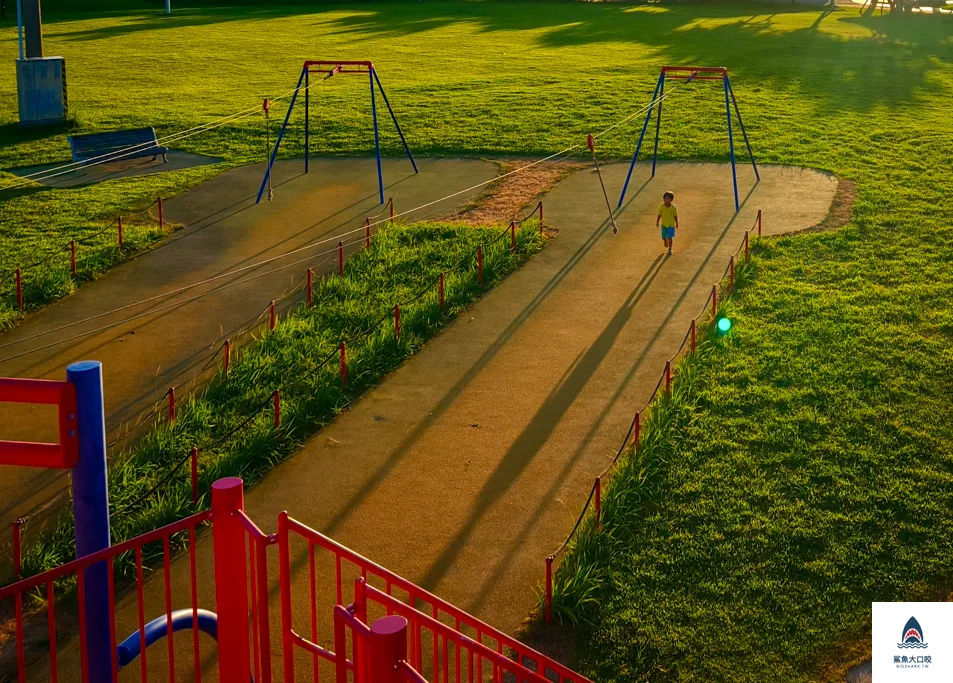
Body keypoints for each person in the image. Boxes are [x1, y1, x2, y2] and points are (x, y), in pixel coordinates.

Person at [656, 191, 678, 256]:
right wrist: (657, 222)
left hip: (671, 225)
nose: (666, 200)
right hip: (664, 225)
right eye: (665, 198)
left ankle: (670, 249)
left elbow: (675, 216)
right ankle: (665, 241)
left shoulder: (673, 208)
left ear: (671, 200)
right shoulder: (661, 207)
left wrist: (677, 223)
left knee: (670, 237)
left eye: (668, 198)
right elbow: (659, 215)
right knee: (663, 237)